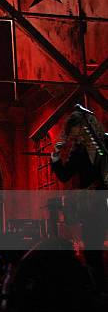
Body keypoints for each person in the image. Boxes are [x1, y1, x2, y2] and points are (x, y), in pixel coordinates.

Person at [50, 109, 107, 293]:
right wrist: (56, 158)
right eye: (75, 136)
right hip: (92, 206)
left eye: (80, 133)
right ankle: (99, 292)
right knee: (92, 251)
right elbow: (65, 175)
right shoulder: (78, 152)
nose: (77, 138)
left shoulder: (106, 143)